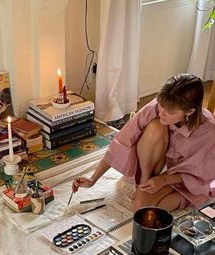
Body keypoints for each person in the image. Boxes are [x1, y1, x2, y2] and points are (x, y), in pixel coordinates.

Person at [72, 73, 215, 212]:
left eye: (170, 113)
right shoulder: (158, 106)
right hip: (154, 165)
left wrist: (165, 180)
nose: (161, 113)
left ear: (189, 112)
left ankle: (182, 197)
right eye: (161, 106)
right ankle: (144, 182)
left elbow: (201, 174)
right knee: (156, 127)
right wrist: (93, 179)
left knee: (144, 211)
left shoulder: (208, 130)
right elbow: (122, 142)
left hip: (181, 178)